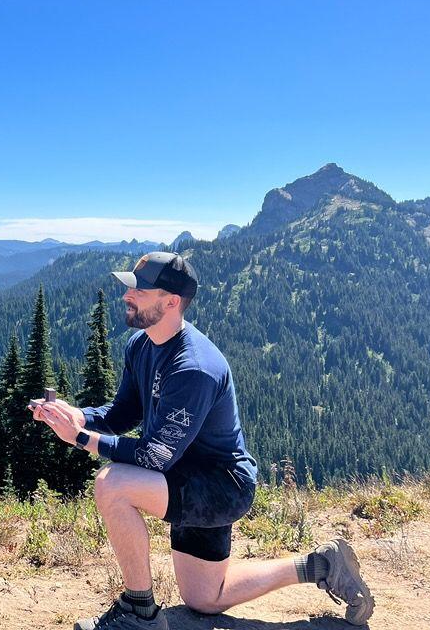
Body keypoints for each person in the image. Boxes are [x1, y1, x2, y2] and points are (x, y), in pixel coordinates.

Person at [33, 252, 374, 630]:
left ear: (171, 302)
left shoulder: (193, 367)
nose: (127, 295)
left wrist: (80, 438)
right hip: (185, 475)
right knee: (204, 599)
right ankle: (322, 565)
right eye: (129, 287)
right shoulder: (140, 345)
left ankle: (139, 613)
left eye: (140, 290)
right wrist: (79, 416)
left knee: (112, 484)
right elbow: (123, 412)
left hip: (220, 486)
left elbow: (153, 456)